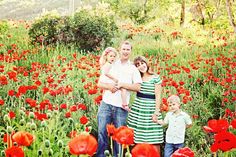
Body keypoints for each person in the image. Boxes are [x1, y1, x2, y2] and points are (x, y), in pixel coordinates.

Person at [96, 41, 142, 157]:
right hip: (106, 104)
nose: (125, 51)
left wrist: (122, 85)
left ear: (131, 51)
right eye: (124, 49)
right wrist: (109, 87)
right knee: (102, 132)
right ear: (119, 50)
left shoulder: (133, 69)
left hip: (121, 107)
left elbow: (137, 87)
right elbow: (99, 84)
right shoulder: (111, 63)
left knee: (119, 137)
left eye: (128, 49)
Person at [121, 56, 163, 156]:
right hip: (138, 110)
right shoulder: (137, 78)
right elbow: (126, 87)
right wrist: (125, 103)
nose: (141, 66)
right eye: (138, 65)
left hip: (151, 108)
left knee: (154, 138)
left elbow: (158, 96)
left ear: (146, 63)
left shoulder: (155, 78)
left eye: (142, 63)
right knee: (138, 138)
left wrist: (156, 112)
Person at [99, 47, 130, 111]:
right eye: (111, 56)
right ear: (106, 56)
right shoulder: (108, 65)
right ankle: (125, 104)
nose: (112, 58)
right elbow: (106, 73)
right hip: (108, 80)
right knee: (123, 89)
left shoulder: (110, 64)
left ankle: (104, 101)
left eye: (114, 56)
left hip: (107, 81)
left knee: (106, 92)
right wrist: (114, 79)